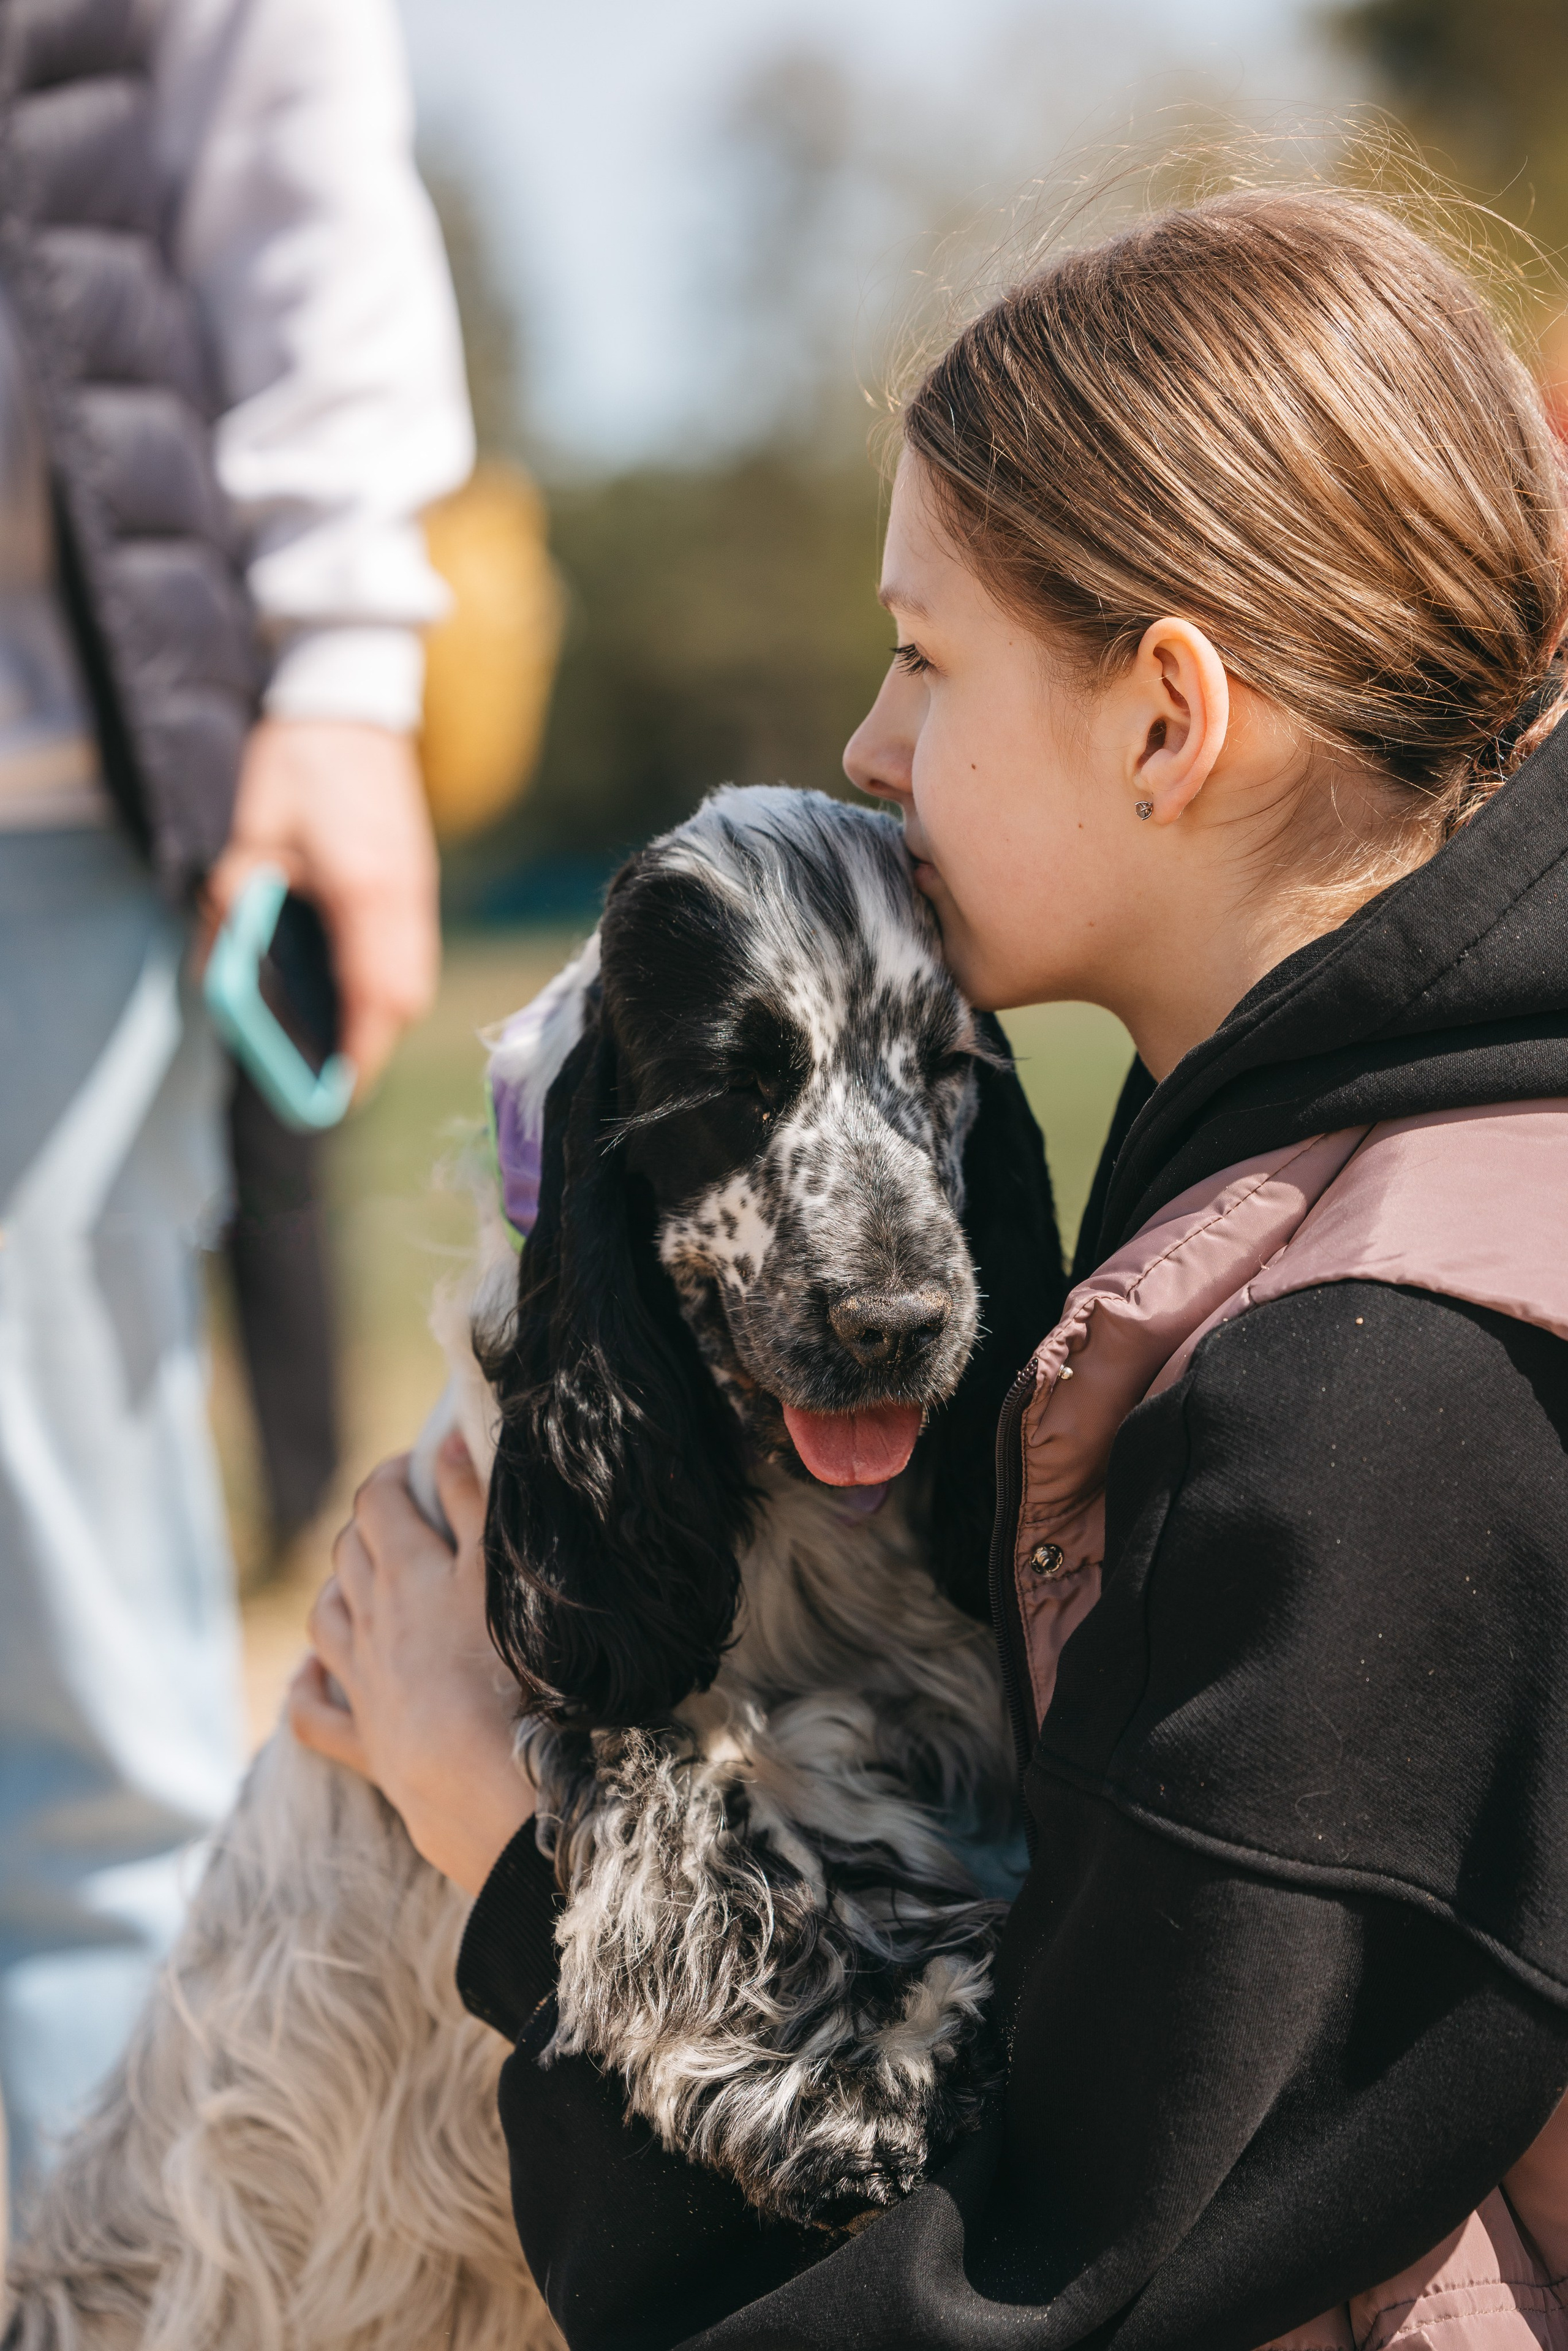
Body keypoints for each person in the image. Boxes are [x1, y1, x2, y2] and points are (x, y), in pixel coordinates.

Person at [290, 186, 1568, 2347]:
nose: (870, 753)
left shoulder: (1361, 1406)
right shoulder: (1399, 1162)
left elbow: (1040, 2285)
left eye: (924, 656)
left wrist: (498, 1836)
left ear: (1169, 719)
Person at [0, 0, 472, 2209]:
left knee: (78, 1735)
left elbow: (282, 129)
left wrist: (349, 665)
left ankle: (103, 2280)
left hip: (40, 794)